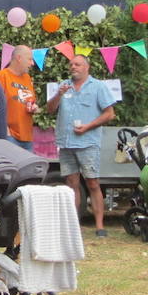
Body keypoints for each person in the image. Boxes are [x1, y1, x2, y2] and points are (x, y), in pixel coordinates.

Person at [47, 54, 117, 237]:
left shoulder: (98, 87)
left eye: (77, 64)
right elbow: (50, 109)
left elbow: (110, 114)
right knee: (71, 183)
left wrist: (88, 126)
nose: (73, 67)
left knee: (92, 183)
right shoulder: (63, 85)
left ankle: (100, 226)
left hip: (88, 142)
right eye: (71, 64)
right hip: (66, 142)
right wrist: (58, 94)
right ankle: (74, 225)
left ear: (87, 67)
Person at [0, 45, 39, 150]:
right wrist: (6, 131)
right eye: (30, 59)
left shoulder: (27, 78)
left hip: (27, 137)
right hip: (10, 136)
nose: (32, 63)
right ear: (19, 58)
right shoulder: (2, 76)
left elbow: (29, 101)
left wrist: (34, 107)